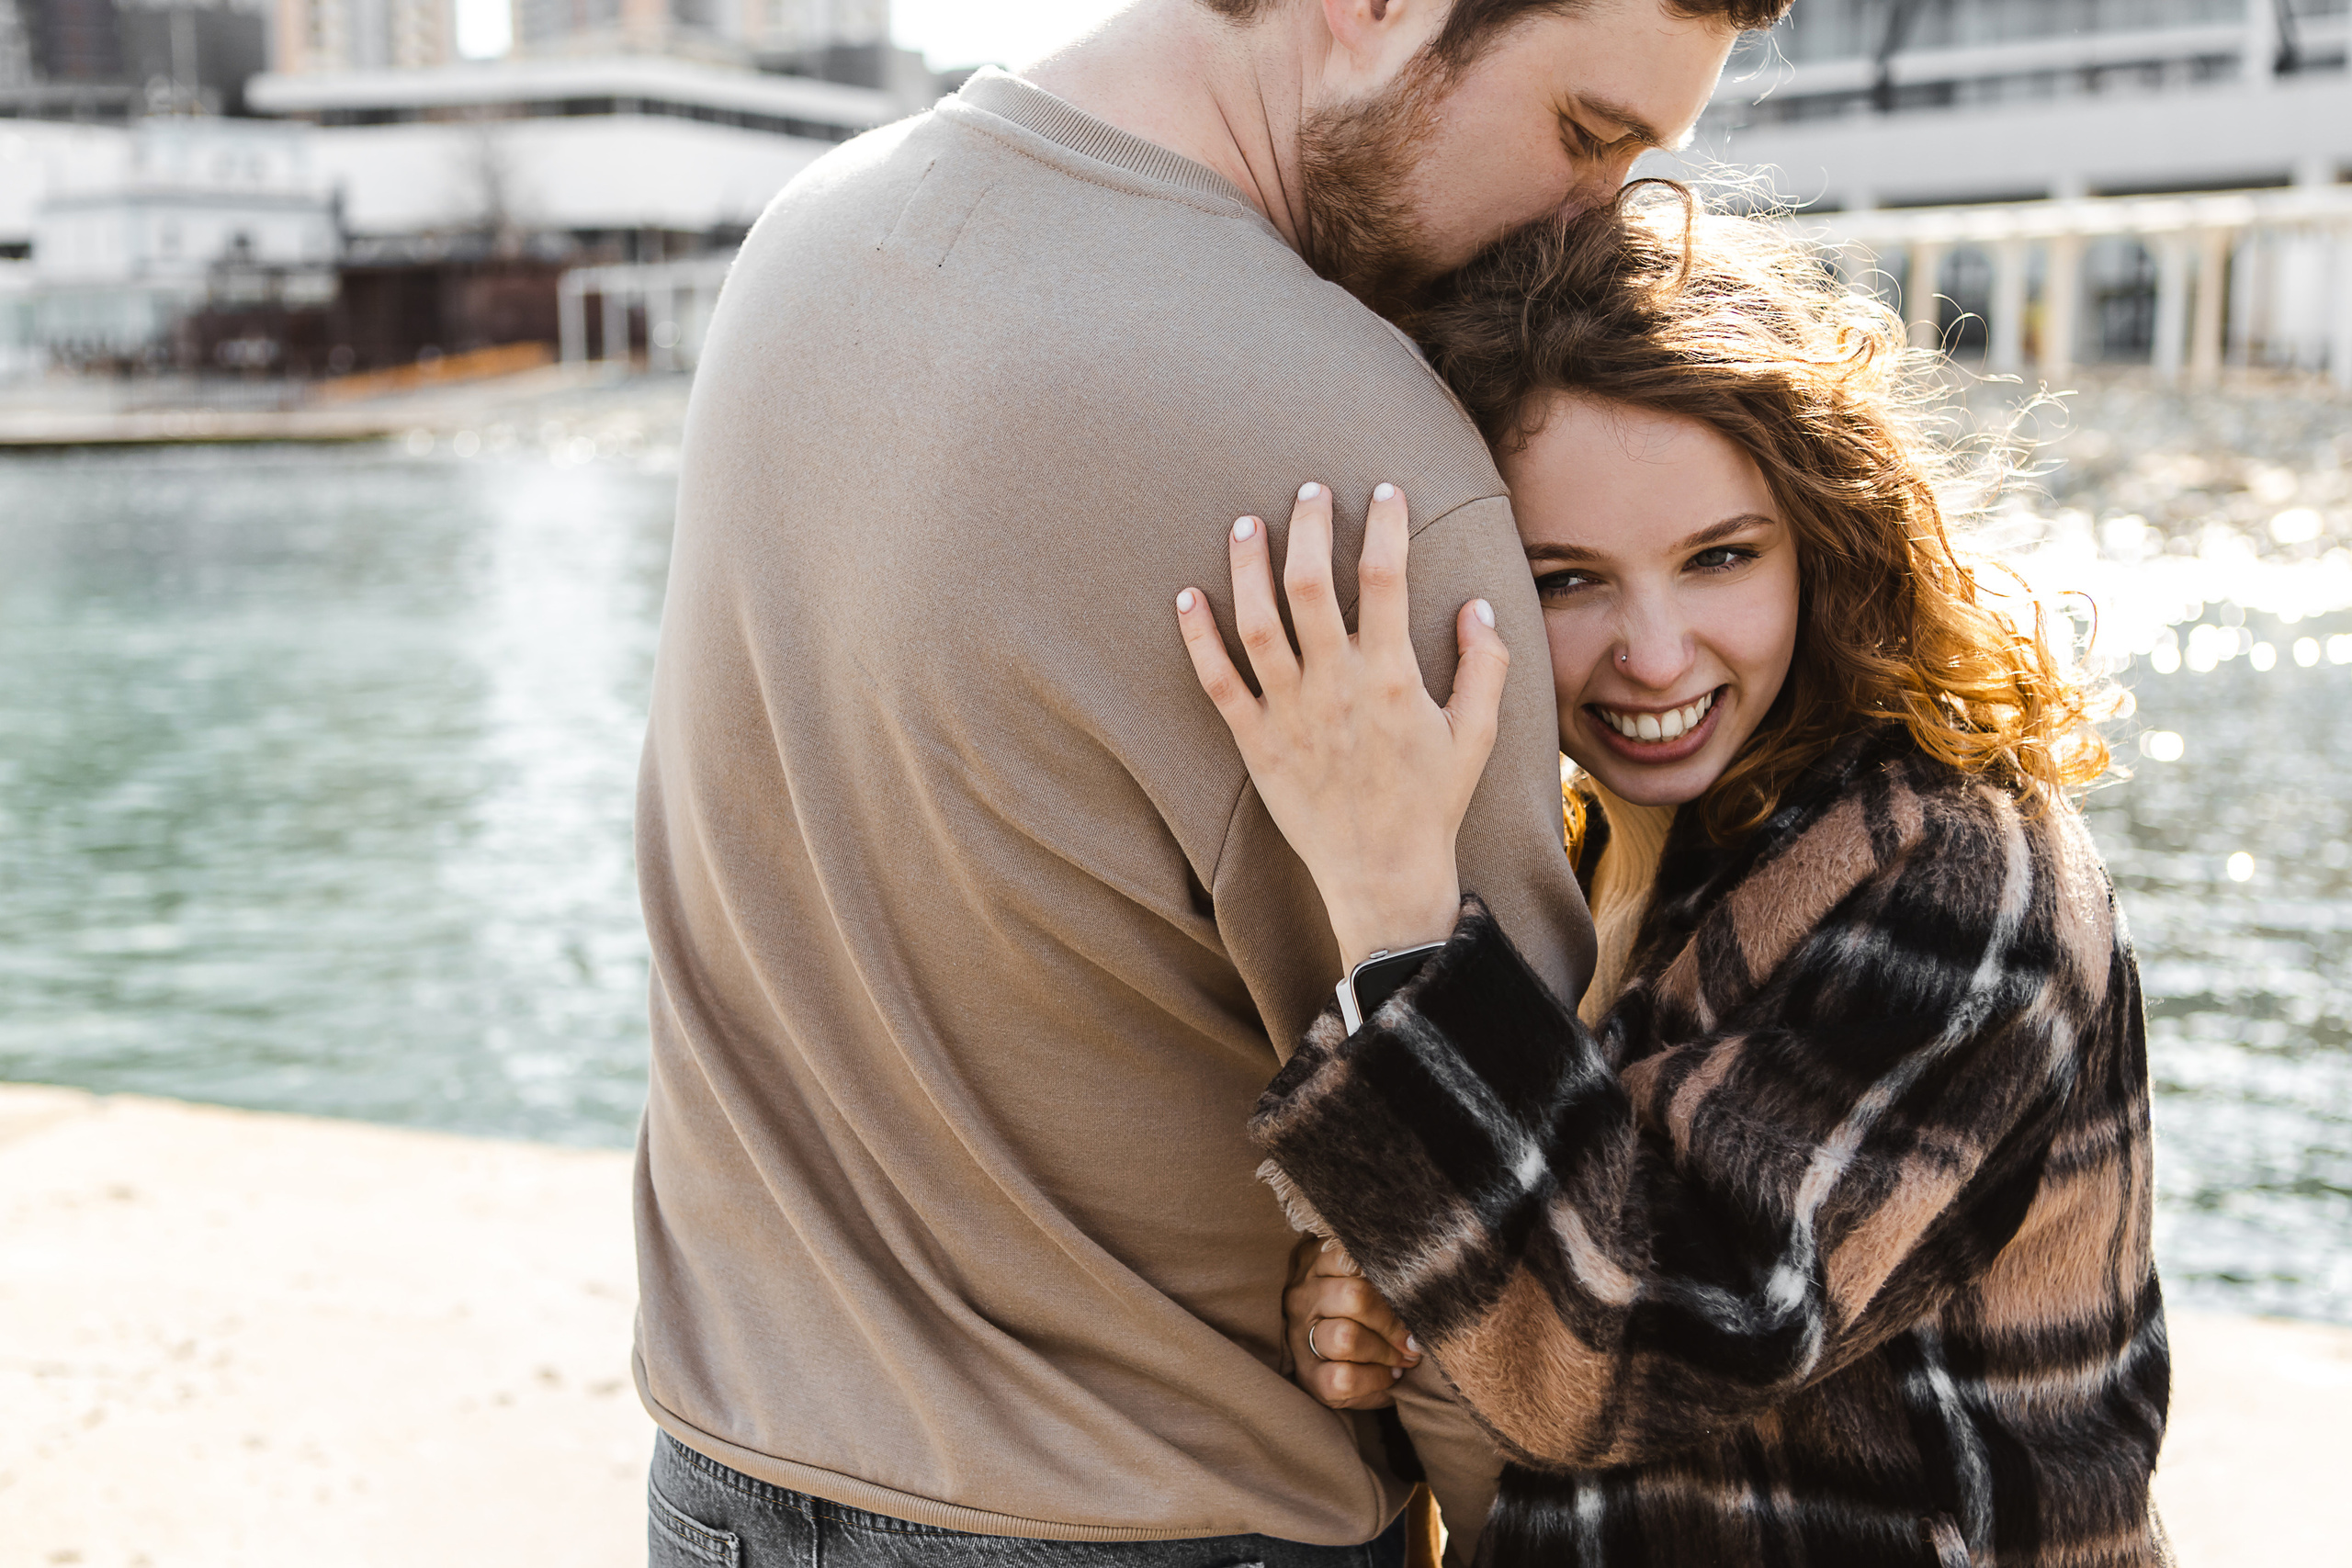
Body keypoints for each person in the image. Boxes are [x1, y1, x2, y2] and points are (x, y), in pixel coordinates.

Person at [635, 1, 1791, 1563]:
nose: (1594, 225)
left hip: (725, 1470)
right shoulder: (1363, 471)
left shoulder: (810, 244)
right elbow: (1503, 1313)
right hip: (1155, 1511)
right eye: (1587, 136)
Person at [1174, 186, 2169, 1567]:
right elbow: (1549, 1273)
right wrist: (1403, 1300)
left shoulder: (1956, 873)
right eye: (1568, 579)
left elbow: (1633, 1342)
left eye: (1720, 558)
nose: (1654, 654)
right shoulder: (1604, 845)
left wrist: (1390, 893)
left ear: (1826, 537)